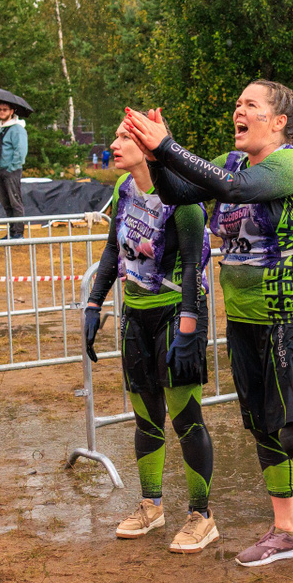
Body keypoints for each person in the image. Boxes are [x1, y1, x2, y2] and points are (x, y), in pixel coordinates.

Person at [119, 82, 293, 583]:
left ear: (278, 121)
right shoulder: (230, 162)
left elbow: (234, 191)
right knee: (262, 427)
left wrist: (168, 147)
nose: (238, 109)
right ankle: (287, 532)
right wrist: (155, 156)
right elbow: (177, 192)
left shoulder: (290, 164)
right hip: (245, 321)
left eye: (250, 105)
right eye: (237, 103)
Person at [82, 131, 218, 553]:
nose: (114, 144)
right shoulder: (124, 188)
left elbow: (194, 265)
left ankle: (202, 515)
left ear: (148, 147)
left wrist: (189, 329)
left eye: (125, 138)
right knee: (145, 416)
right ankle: (151, 506)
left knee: (185, 417)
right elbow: (113, 249)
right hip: (136, 314)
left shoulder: (183, 197)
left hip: (178, 311)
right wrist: (93, 303)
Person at [0, 103, 29, 239]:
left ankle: (18, 233)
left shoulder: (17, 129)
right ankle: (11, 232)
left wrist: (11, 168)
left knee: (15, 202)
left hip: (11, 171)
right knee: (6, 203)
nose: (1, 112)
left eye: (5, 110)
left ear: (11, 111)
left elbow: (21, 151)